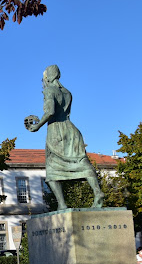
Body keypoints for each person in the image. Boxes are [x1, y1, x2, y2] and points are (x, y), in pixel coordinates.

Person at [26, 65, 104, 210]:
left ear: (48, 77)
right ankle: (97, 192)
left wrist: (37, 126)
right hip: (71, 129)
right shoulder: (67, 93)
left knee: (51, 169)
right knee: (81, 160)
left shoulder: (49, 90)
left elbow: (50, 112)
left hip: (56, 130)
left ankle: (62, 204)